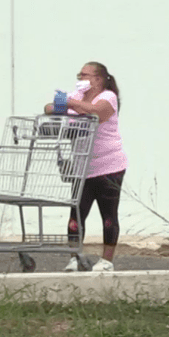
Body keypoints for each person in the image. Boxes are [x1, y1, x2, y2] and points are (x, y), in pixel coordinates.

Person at [45, 62, 127, 272]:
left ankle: (107, 260)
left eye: (85, 75)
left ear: (98, 80)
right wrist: (61, 104)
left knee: (108, 214)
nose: (80, 78)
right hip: (83, 168)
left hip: (109, 166)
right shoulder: (78, 97)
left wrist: (70, 103)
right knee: (77, 214)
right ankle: (74, 257)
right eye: (79, 74)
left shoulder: (108, 97)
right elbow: (49, 108)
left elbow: (96, 113)